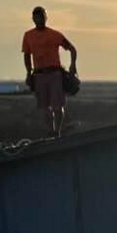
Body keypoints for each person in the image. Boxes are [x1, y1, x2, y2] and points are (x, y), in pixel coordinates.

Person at [21, 7, 77, 138]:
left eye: (42, 17)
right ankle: (51, 132)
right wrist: (28, 74)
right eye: (37, 18)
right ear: (33, 19)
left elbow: (72, 49)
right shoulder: (28, 35)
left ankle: (57, 132)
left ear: (46, 18)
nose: (39, 20)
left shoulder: (54, 34)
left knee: (58, 106)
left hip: (55, 74)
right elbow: (27, 56)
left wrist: (72, 65)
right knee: (44, 108)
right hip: (39, 75)